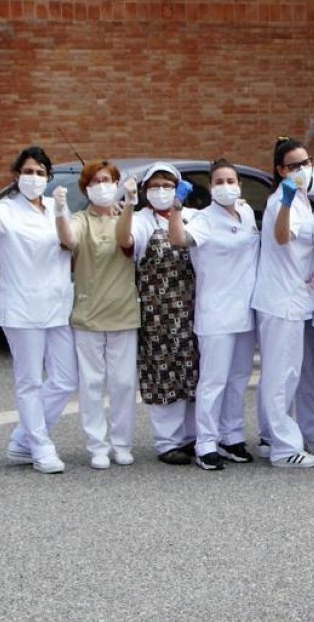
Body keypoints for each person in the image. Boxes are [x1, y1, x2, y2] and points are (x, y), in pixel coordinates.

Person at [0, 146, 76, 474]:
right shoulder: (8, 210)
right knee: (29, 382)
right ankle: (40, 446)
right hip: (22, 308)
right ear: (16, 176)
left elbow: (70, 244)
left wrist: (61, 210)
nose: (34, 178)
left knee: (66, 379)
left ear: (48, 177)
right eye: (28, 172)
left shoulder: (55, 207)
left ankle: (22, 439)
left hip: (57, 305)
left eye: (40, 172)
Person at [169, 159, 259, 470]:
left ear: (239, 184)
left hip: (245, 310)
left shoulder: (246, 213)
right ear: (210, 187)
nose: (225, 186)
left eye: (230, 180)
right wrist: (176, 207)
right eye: (219, 182)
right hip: (216, 312)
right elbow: (178, 239)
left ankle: (232, 436)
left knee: (239, 378)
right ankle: (206, 442)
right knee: (214, 380)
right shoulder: (204, 219)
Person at [55, 160, 138, 470]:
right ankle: (97, 445)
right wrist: (59, 211)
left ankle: (122, 443)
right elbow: (69, 239)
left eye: (108, 180)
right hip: (88, 315)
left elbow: (126, 240)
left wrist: (129, 205)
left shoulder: (128, 217)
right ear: (86, 189)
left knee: (124, 384)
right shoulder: (81, 219)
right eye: (95, 181)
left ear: (117, 184)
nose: (102, 186)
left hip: (123, 312)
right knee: (91, 385)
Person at [117, 163, 199, 466]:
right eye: (155, 186)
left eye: (168, 185)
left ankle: (192, 436)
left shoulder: (193, 216)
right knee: (163, 373)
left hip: (193, 307)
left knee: (192, 371)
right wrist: (127, 204)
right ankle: (168, 441)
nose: (162, 191)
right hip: (158, 312)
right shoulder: (140, 221)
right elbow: (125, 241)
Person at [251, 139, 314, 469]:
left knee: (278, 372)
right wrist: (285, 202)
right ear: (281, 171)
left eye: (306, 163)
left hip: (294, 297)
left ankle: (270, 436)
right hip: (282, 301)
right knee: (283, 375)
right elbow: (282, 237)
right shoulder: (282, 201)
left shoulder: (302, 198)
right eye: (294, 166)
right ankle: (284, 448)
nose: (302, 170)